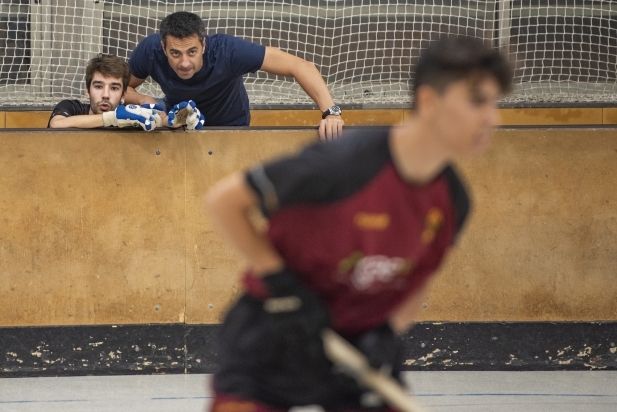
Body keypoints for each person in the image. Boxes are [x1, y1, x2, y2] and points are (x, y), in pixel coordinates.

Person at [205, 35, 513, 411]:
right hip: (275, 333)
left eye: (495, 103)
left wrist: (387, 335)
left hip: (358, 343)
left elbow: (421, 276)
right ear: (430, 101)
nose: (492, 118)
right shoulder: (344, 162)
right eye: (477, 101)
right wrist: (280, 282)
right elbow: (224, 202)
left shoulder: (453, 201)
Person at [124, 11, 344, 140]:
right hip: (179, 128)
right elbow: (123, 88)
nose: (184, 63)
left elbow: (300, 66)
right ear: (163, 48)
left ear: (203, 44)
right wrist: (145, 99)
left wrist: (331, 113)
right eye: (175, 53)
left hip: (232, 129)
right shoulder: (149, 50)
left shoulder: (229, 51)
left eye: (192, 52)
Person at [48, 53, 163, 130]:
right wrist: (112, 118)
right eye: (98, 87)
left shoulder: (130, 118)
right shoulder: (72, 107)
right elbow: (56, 124)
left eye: (114, 88)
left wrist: (171, 123)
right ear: (87, 91)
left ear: (123, 94)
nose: (105, 95)